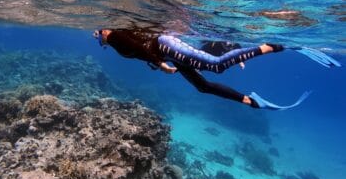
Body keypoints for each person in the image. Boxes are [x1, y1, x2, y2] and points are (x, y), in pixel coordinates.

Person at [93, 29, 340, 110]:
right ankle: (247, 100)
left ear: (105, 32)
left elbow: (138, 47)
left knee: (216, 66)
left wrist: (162, 65)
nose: (98, 37)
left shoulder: (113, 36)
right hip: (164, 50)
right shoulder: (114, 40)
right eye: (98, 37)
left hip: (164, 46)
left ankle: (270, 46)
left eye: (98, 34)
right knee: (202, 86)